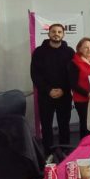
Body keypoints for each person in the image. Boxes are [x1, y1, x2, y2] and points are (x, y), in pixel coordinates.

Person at [30, 23, 75, 154]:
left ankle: (65, 151)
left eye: (59, 32)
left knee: (64, 124)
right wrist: (48, 90)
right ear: (49, 33)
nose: (56, 34)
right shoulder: (39, 52)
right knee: (46, 125)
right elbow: (35, 74)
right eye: (53, 31)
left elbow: (72, 74)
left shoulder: (69, 52)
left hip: (64, 95)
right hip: (45, 95)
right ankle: (48, 153)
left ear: (63, 34)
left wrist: (63, 89)